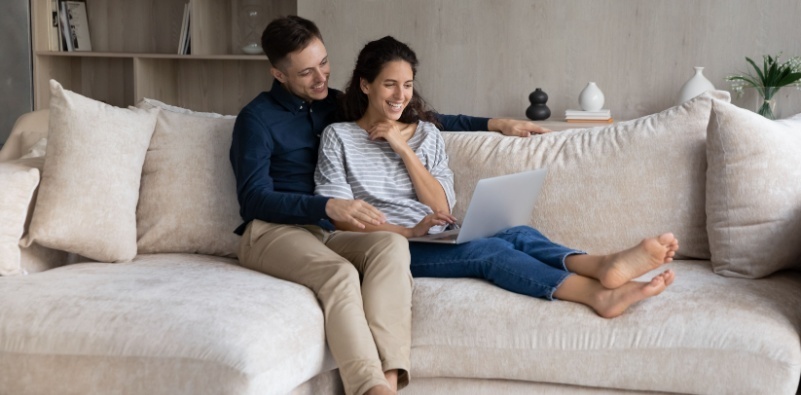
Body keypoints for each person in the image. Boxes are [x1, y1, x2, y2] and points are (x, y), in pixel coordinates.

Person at [230, 16, 548, 395]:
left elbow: (424, 117)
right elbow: (252, 200)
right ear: (279, 75)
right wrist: (326, 206)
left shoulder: (334, 104)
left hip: (328, 231)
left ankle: (393, 375)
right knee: (339, 276)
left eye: (324, 63)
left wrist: (496, 123)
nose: (320, 78)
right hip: (274, 231)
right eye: (306, 73)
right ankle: (369, 387)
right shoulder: (256, 118)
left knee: (392, 244)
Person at [314, 36, 679, 322]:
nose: (400, 95)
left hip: (435, 234)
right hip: (389, 247)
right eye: (389, 84)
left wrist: (403, 148)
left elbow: (440, 207)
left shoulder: (426, 134)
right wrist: (406, 231)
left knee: (517, 233)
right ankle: (597, 294)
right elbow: (340, 219)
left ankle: (601, 266)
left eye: (407, 84)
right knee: (489, 252)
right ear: (365, 85)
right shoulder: (339, 137)